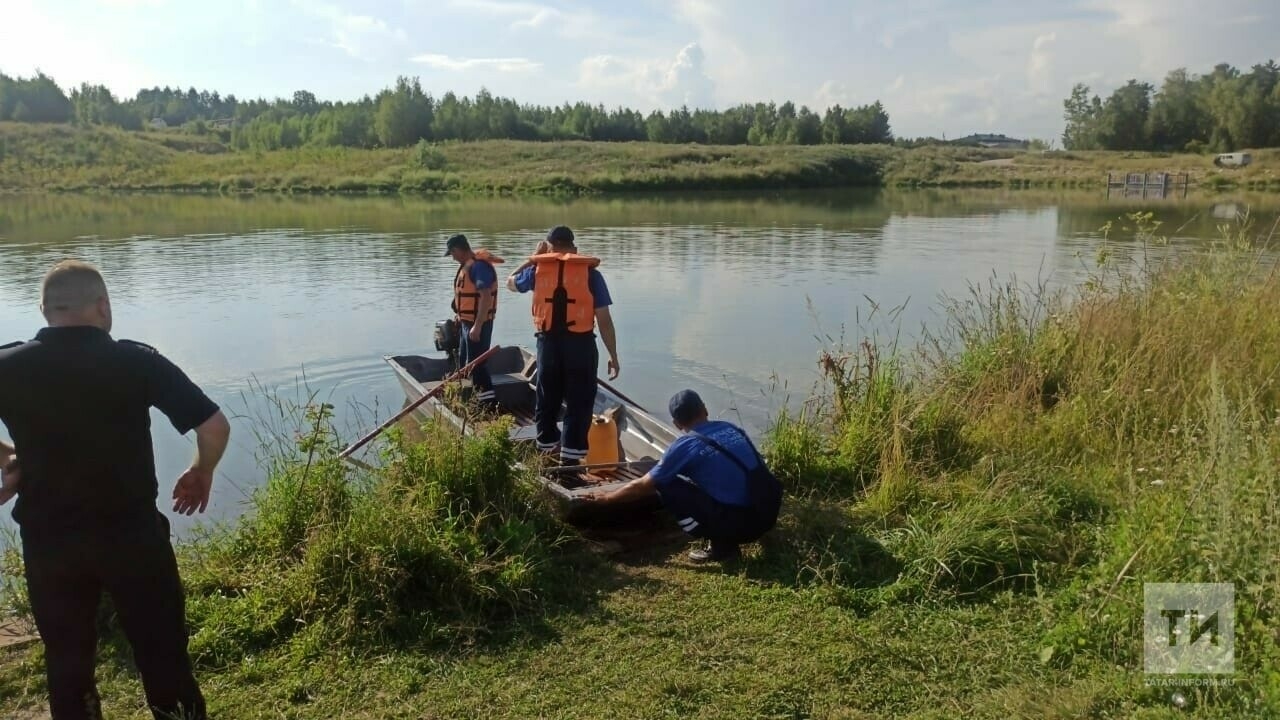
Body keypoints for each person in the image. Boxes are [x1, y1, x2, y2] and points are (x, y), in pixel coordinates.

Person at [0, 260, 231, 720]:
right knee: (161, 649)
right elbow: (214, 426)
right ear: (103, 306)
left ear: (45, 310)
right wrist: (201, 471)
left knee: (67, 657)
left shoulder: (7, 364)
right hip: (132, 536)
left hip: (50, 542)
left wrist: (7, 455)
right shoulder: (136, 361)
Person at [580, 389, 782, 562]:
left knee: (665, 484)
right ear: (705, 409)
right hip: (768, 514)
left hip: (740, 527)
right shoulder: (731, 428)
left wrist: (606, 498)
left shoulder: (685, 446)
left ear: (676, 424)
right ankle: (730, 535)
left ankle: (721, 546)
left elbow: (643, 486)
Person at [506, 226, 619, 466]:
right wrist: (613, 355)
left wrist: (530, 258)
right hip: (581, 345)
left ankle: (546, 450)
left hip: (548, 345)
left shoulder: (537, 269)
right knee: (580, 400)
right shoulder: (590, 274)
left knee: (547, 397)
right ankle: (570, 461)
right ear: (574, 247)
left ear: (548, 246)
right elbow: (605, 320)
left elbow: (509, 283)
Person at [445, 233, 504, 408]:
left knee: (476, 365)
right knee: (465, 363)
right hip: (466, 322)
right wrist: (460, 317)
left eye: (452, 254)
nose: (452, 258)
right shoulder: (467, 265)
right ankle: (470, 400)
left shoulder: (479, 267)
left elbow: (485, 296)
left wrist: (477, 326)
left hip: (478, 324)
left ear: (457, 250)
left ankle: (489, 406)